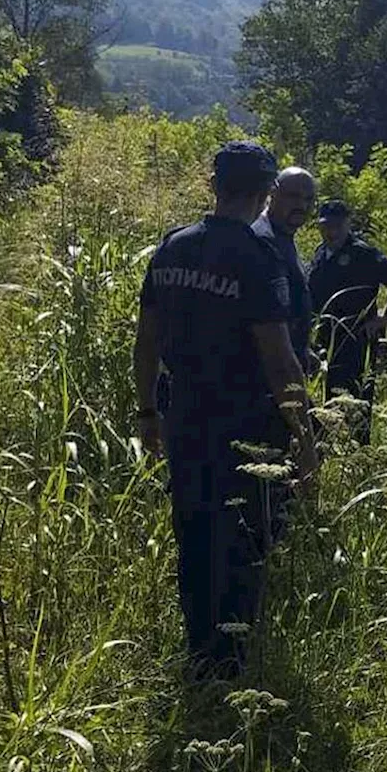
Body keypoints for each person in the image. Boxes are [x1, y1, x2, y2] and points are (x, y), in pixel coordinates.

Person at [132, 141, 319, 680]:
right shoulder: (257, 260)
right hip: (247, 427)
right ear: (265, 194)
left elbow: (146, 343)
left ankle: (198, 653)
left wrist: (148, 414)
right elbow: (281, 364)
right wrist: (306, 442)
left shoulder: (171, 249)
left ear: (212, 185)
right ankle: (230, 667)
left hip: (184, 419)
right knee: (243, 543)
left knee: (193, 535)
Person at [307, 200, 387, 423]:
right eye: (326, 226)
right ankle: (331, 449)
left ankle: (358, 449)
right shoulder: (320, 253)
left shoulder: (362, 253)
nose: (331, 231)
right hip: (326, 339)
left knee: (357, 400)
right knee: (329, 398)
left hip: (357, 338)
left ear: (347, 224)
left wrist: (385, 318)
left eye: (337, 225)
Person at [253, 166, 317, 370]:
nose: (302, 205)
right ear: (273, 193)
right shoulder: (263, 240)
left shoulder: (284, 238)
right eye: (293, 197)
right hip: (267, 372)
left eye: (309, 199)